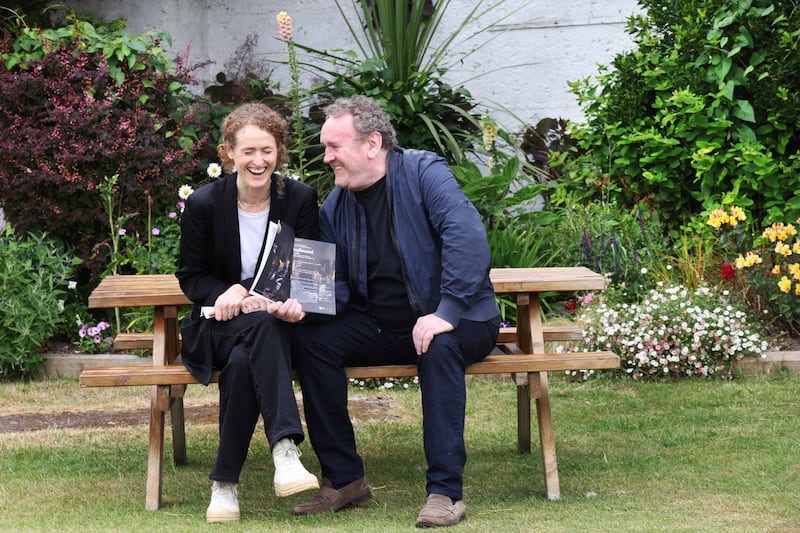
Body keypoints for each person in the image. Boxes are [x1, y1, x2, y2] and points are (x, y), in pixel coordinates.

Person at [291, 96, 501, 528]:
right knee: (312, 341)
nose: (326, 157)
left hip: (463, 318)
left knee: (439, 346)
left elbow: (468, 237)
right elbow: (334, 284)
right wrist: (302, 303)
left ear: (372, 143)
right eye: (324, 147)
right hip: (384, 325)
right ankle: (345, 479)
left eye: (334, 146)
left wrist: (446, 311)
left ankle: (445, 494)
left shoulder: (424, 172)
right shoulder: (336, 204)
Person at [176, 102, 320, 523]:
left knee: (247, 356)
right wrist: (228, 291)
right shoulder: (203, 203)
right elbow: (190, 277)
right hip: (218, 326)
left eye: (268, 151)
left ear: (280, 151)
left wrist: (298, 301)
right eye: (248, 151)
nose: (259, 161)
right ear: (229, 154)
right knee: (249, 334)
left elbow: (310, 273)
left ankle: (225, 486)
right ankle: (285, 450)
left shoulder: (299, 198)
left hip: (276, 327)